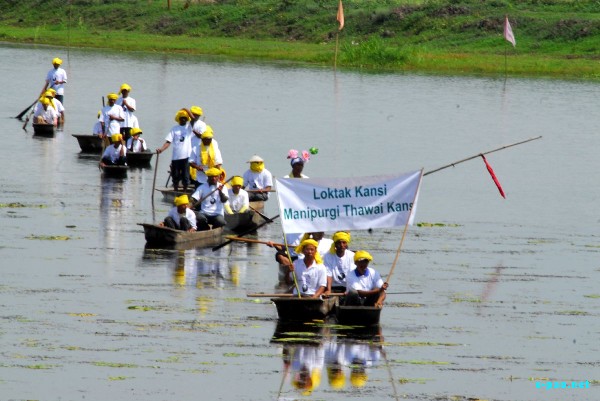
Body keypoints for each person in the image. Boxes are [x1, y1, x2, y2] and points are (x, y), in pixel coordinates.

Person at [156, 109, 193, 192]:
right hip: (176, 157)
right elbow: (168, 141)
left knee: (185, 176)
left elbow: (193, 119)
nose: (183, 119)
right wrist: (161, 149)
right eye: (182, 118)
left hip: (186, 156)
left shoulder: (189, 128)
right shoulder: (174, 129)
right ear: (179, 119)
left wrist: (186, 110)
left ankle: (185, 190)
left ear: (187, 119)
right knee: (175, 175)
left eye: (185, 118)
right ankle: (175, 189)